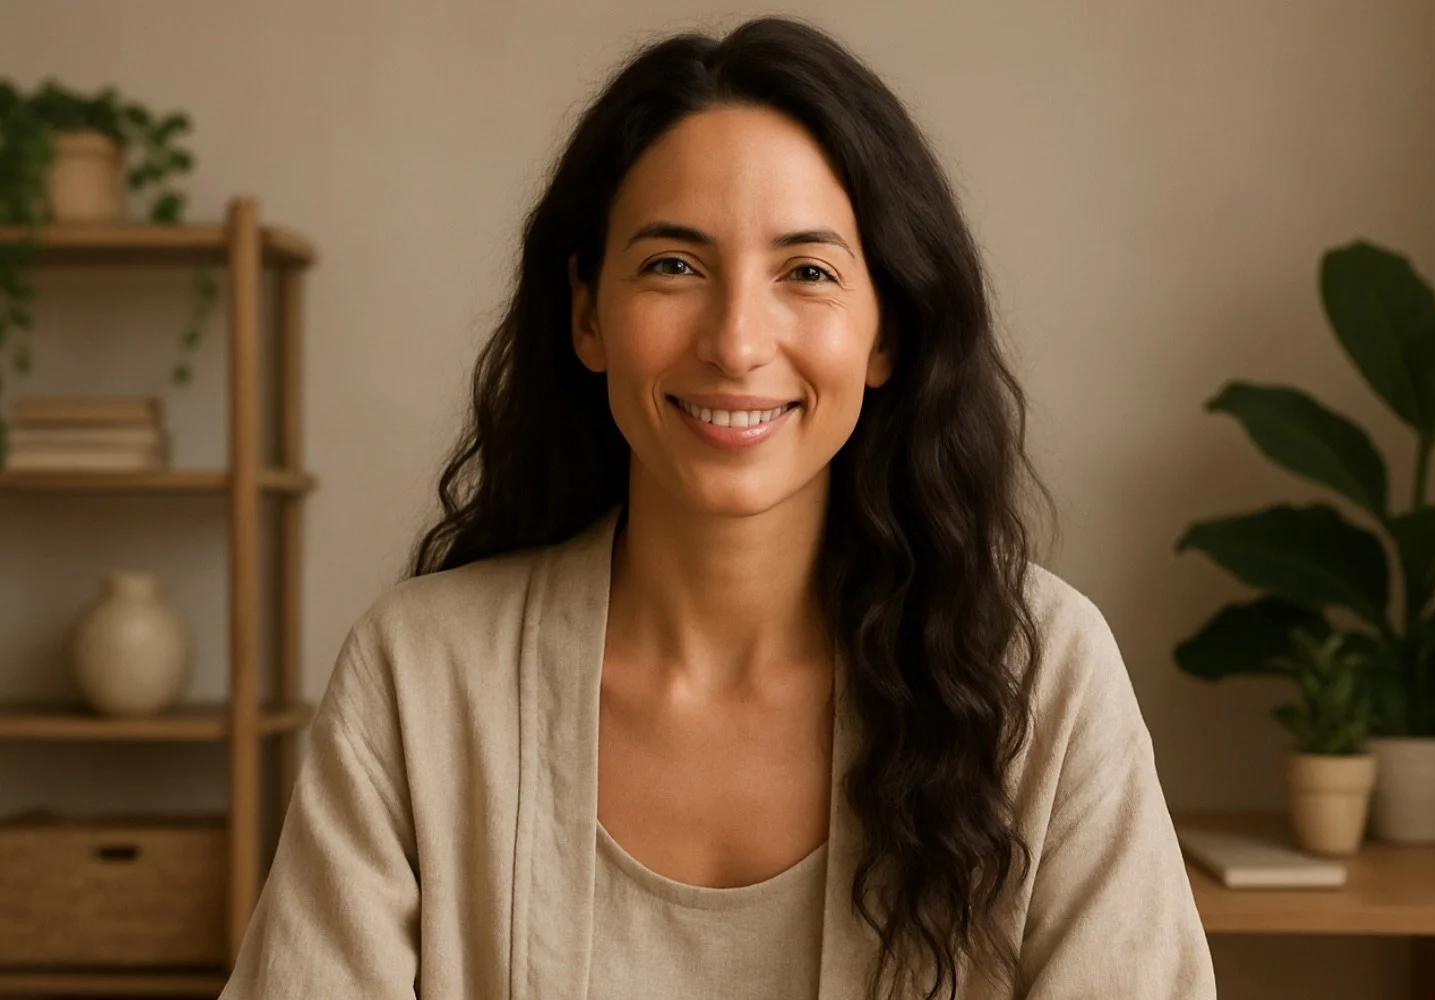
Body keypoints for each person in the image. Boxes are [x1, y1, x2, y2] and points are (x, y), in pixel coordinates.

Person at [219, 15, 1215, 1000]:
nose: (736, 342)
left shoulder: (1042, 679)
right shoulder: (420, 677)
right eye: (673, 265)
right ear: (586, 313)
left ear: (887, 334)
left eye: (809, 273)